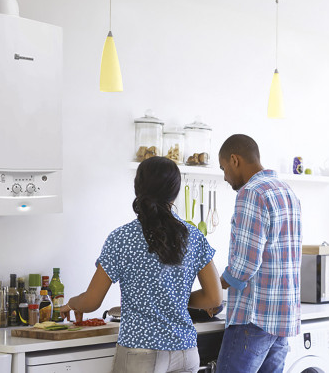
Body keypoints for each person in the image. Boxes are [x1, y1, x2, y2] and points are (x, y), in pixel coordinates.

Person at [57, 156, 222, 373]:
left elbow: (91, 301)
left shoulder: (121, 238)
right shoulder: (192, 235)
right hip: (185, 351)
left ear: (138, 188)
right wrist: (173, 297)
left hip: (141, 352)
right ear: (175, 191)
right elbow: (214, 298)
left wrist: (71, 303)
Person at [214, 134, 302, 373]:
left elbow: (245, 263)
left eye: (223, 168)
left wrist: (215, 288)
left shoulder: (251, 192)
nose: (224, 177)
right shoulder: (287, 191)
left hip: (253, 319)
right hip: (282, 318)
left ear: (234, 160)